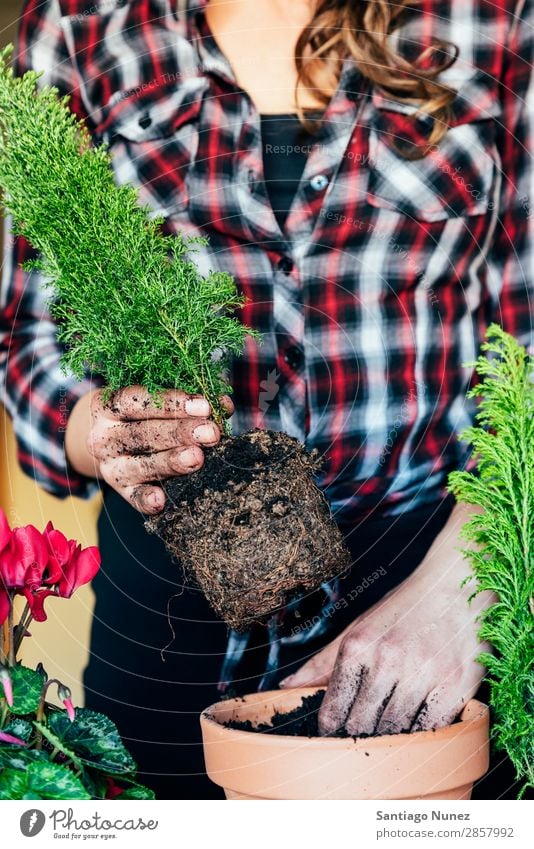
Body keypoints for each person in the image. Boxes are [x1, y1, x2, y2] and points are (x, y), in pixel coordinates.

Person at [0, 0, 532, 800]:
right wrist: (102, 429)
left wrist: (460, 590)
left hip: (426, 605)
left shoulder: (496, 19)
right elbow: (28, 343)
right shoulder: (82, 26)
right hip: (170, 627)